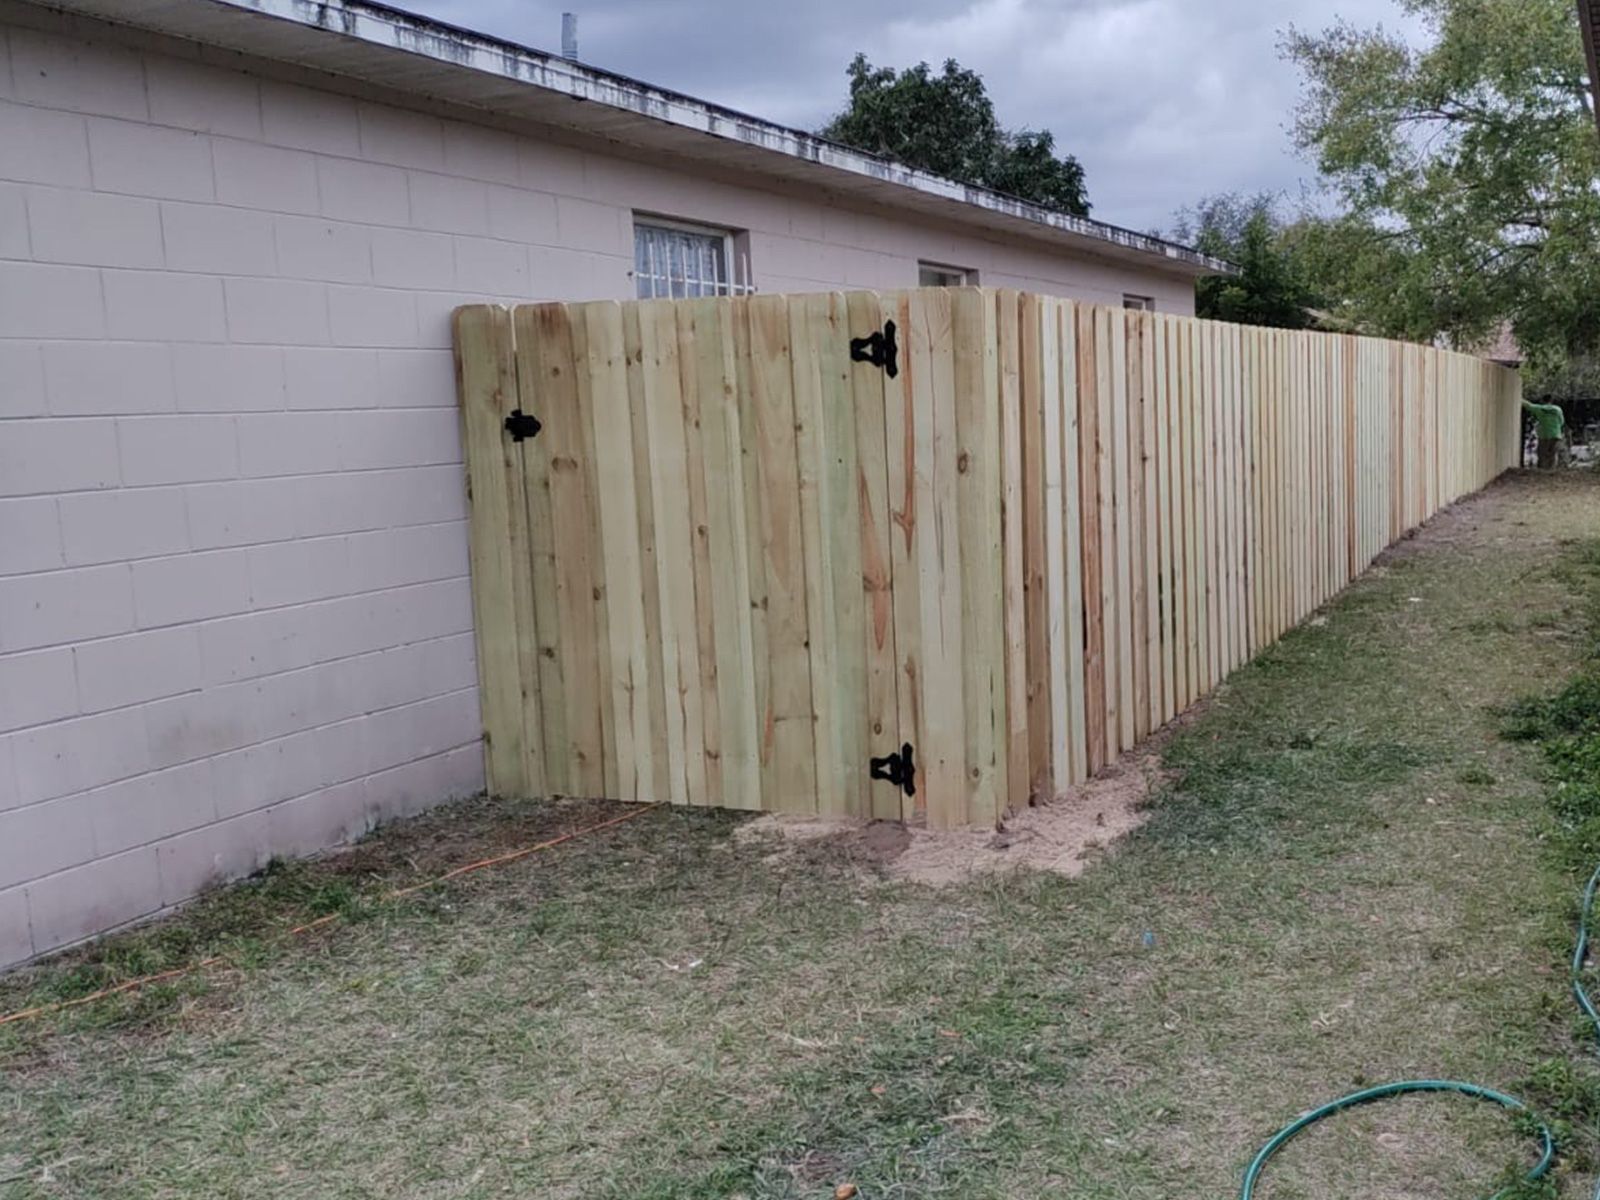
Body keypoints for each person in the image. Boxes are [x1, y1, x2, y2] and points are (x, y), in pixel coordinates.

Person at [1524, 400, 1566, 469]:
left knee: (1542, 454)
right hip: (1556, 434)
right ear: (1552, 401)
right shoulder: (1558, 409)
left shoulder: (1539, 408)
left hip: (1544, 435)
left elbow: (1528, 405)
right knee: (1553, 454)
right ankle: (1552, 470)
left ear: (1542, 401)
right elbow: (1562, 422)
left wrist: (1520, 399)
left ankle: (1542, 470)